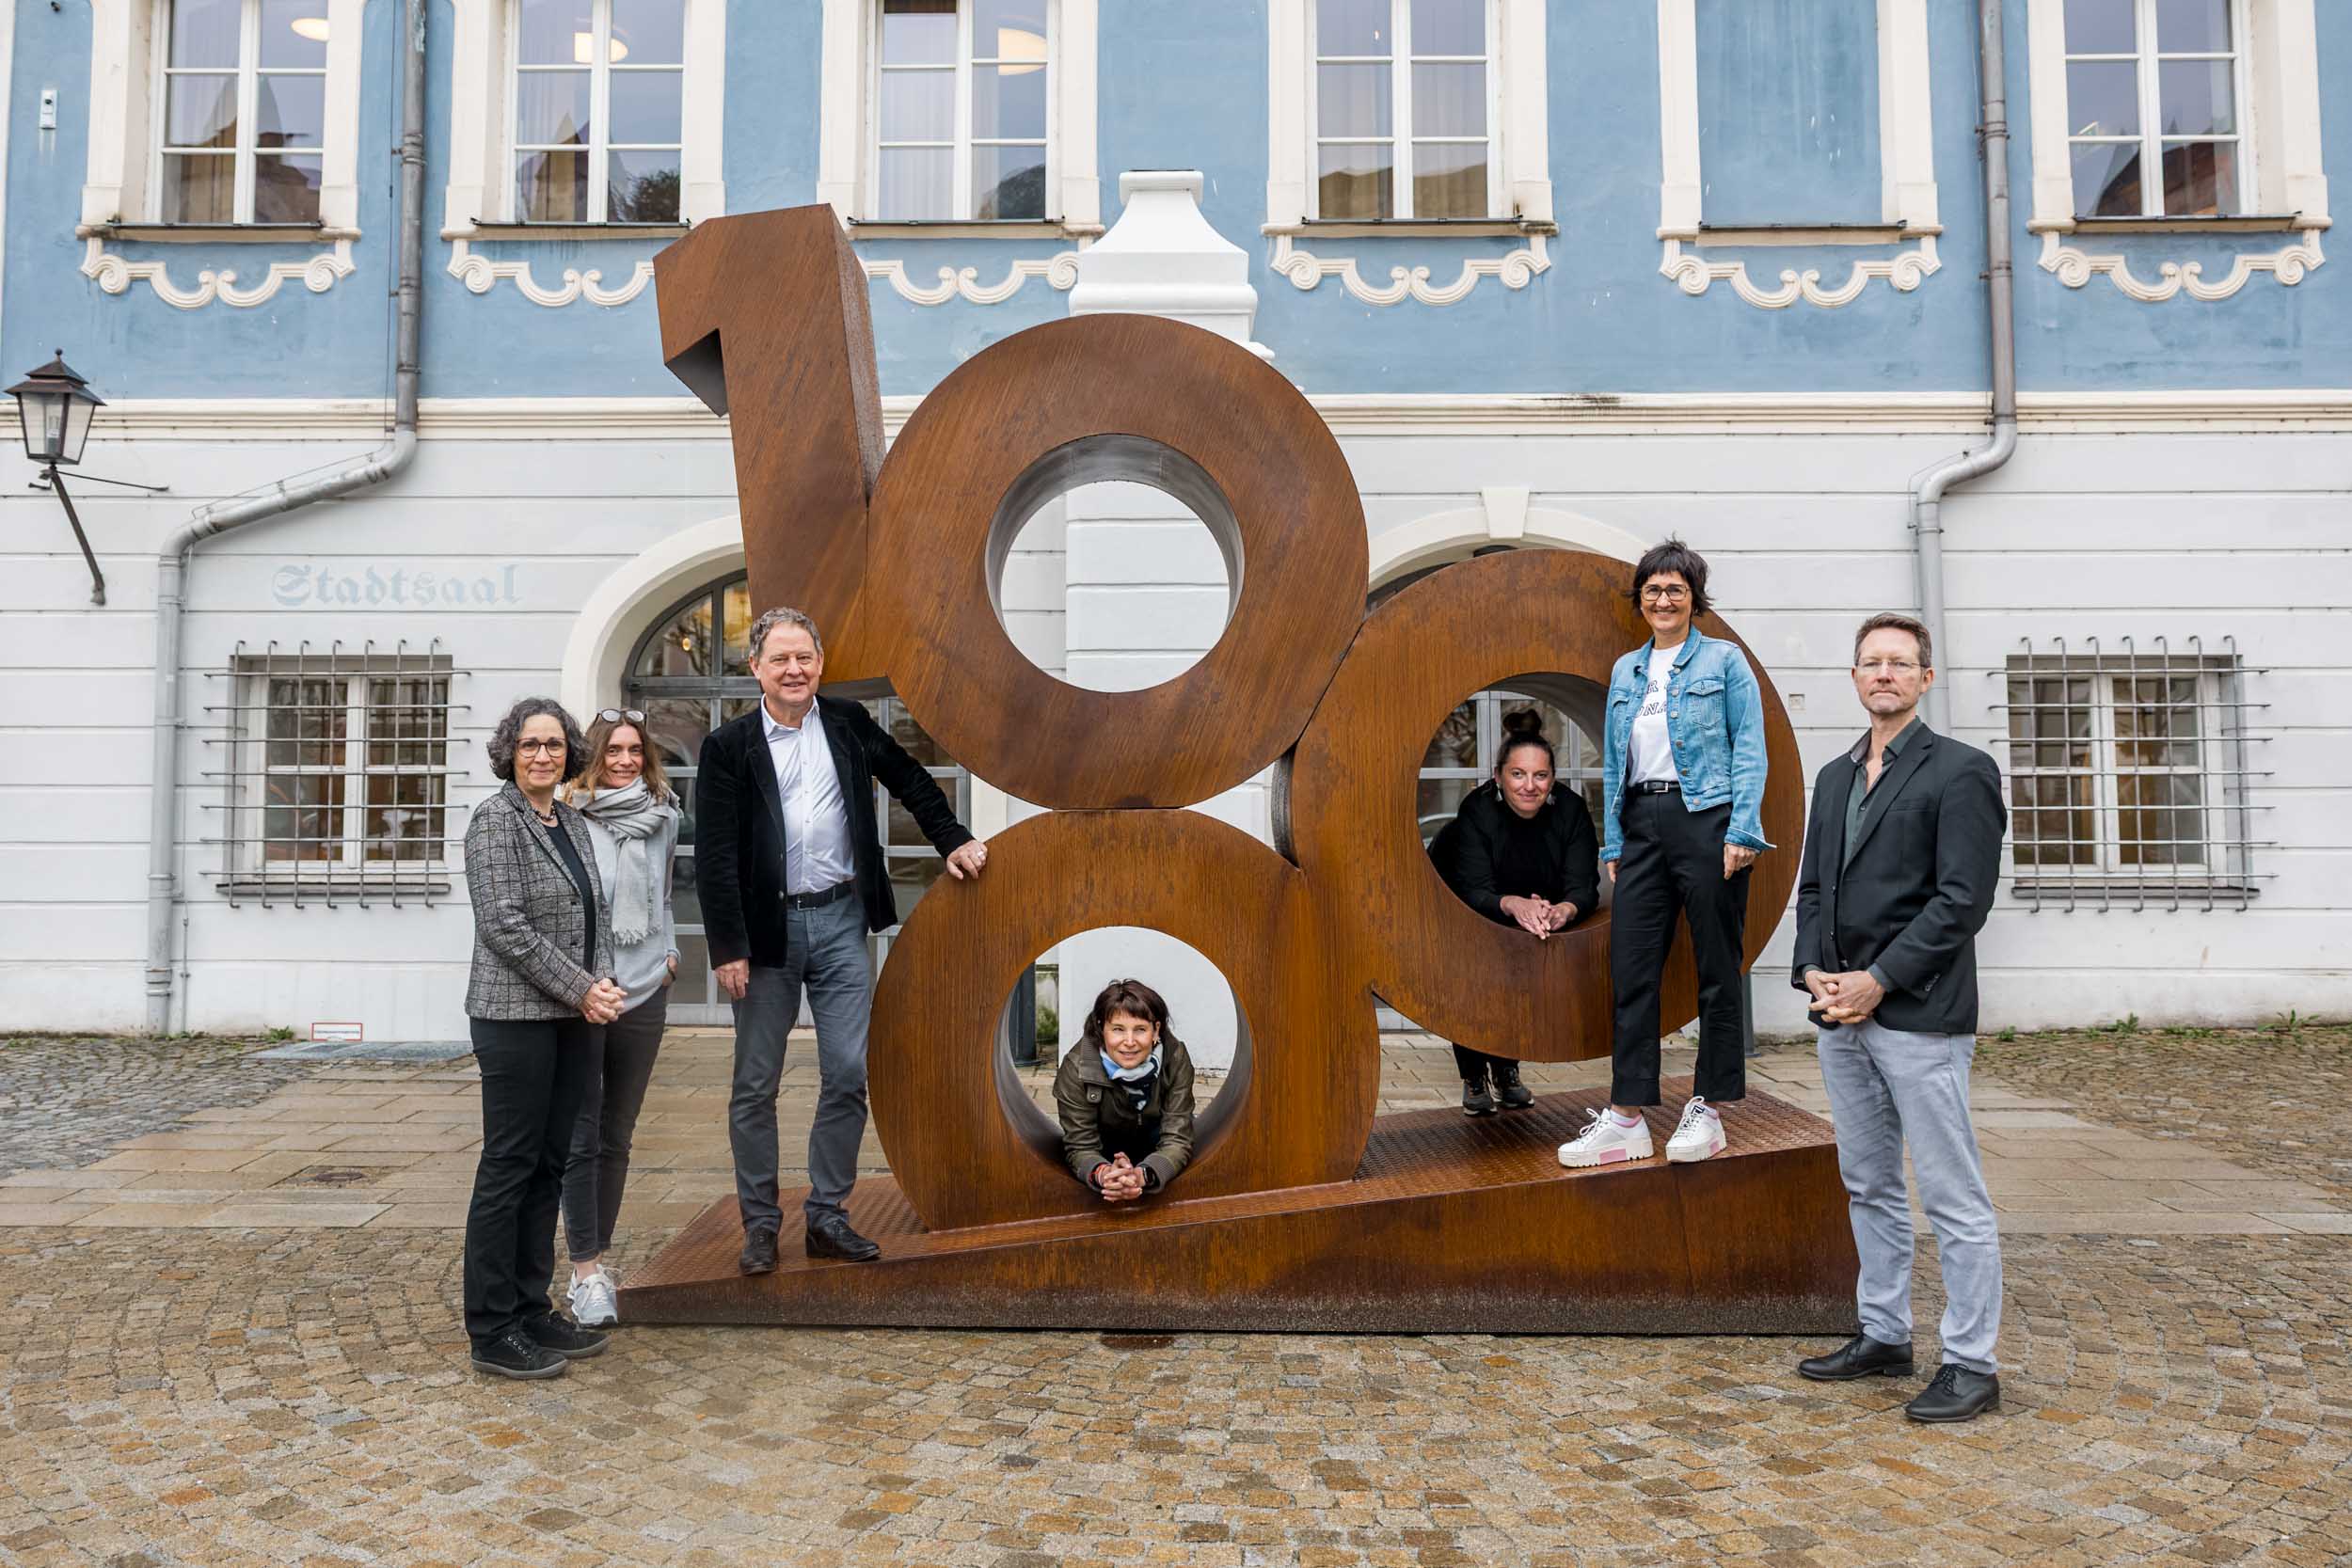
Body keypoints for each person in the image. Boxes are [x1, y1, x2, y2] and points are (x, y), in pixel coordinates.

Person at [698, 606, 991, 1273]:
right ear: (756, 670)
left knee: (849, 1072)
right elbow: (713, 853)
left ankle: (827, 1214)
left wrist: (952, 838)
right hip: (766, 933)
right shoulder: (728, 747)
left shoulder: (851, 725)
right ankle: (760, 1223)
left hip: (839, 921)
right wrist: (727, 946)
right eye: (780, 659)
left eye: (804, 658)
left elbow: (912, 778)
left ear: (820, 665)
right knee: (755, 1083)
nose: (794, 669)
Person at [1791, 612, 2006, 1423]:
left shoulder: (1961, 771)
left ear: (1925, 678)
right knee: (1869, 1183)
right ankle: (1884, 1332)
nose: (1884, 673)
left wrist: (1877, 980)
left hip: (1919, 1016)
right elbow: (1815, 889)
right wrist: (1815, 970)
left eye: (1900, 662)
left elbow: (1963, 901)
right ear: (1854, 678)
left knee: (1953, 1196)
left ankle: (1973, 1363)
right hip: (1839, 1016)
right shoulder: (1836, 776)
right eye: (1871, 662)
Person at [1559, 537, 1771, 1170]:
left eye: (1676, 588)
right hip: (1643, 823)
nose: (1663, 598)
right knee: (1632, 968)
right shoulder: (1627, 669)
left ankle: (1708, 1106)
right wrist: (1617, 841)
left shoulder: (1724, 661)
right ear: (1640, 599)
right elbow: (1612, 761)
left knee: (1715, 963)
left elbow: (1749, 748)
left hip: (1707, 817)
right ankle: (1627, 1115)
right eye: (1653, 588)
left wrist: (1741, 829)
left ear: (1693, 597)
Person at [460, 697, 625, 1380]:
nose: (542, 755)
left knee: (551, 1166)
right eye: (530, 744)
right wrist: (582, 987)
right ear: (510, 750)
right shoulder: (494, 821)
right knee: (510, 1167)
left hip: (573, 1020)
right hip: (514, 1020)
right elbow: (505, 925)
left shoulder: (572, 822)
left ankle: (531, 1309)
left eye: (554, 745)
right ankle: (492, 1326)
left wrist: (605, 982)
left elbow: (596, 912)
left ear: (569, 754)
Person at [558, 707, 683, 1328]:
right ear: (594, 755)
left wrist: (670, 954)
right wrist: (581, 984)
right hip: (586, 994)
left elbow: (662, 893)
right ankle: (585, 1272)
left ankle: (596, 1259)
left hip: (644, 992)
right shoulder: (569, 817)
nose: (625, 760)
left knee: (617, 1134)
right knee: (580, 1134)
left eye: (635, 750)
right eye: (613, 750)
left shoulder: (664, 815)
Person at [1428, 709, 1600, 1116]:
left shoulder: (1571, 811)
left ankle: (1507, 1071)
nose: (1529, 786)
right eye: (1518, 774)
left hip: (1532, 903)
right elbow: (1473, 888)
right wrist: (1514, 904)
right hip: (1466, 899)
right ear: (1498, 776)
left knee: (1515, 981)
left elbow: (1583, 884)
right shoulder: (1478, 810)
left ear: (1553, 778)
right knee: (1473, 980)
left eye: (1540, 776)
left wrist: (1564, 910)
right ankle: (1473, 1076)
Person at [1055, 978, 1198, 1201]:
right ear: (1102, 1029)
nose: (1129, 1042)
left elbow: (1177, 1137)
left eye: (1140, 1029)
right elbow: (1080, 1145)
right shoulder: (1077, 1068)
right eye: (1118, 1029)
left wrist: (1144, 1175)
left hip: (1156, 1145)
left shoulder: (1175, 1058)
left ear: (1156, 1030)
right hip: (1103, 1149)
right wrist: (1104, 1174)